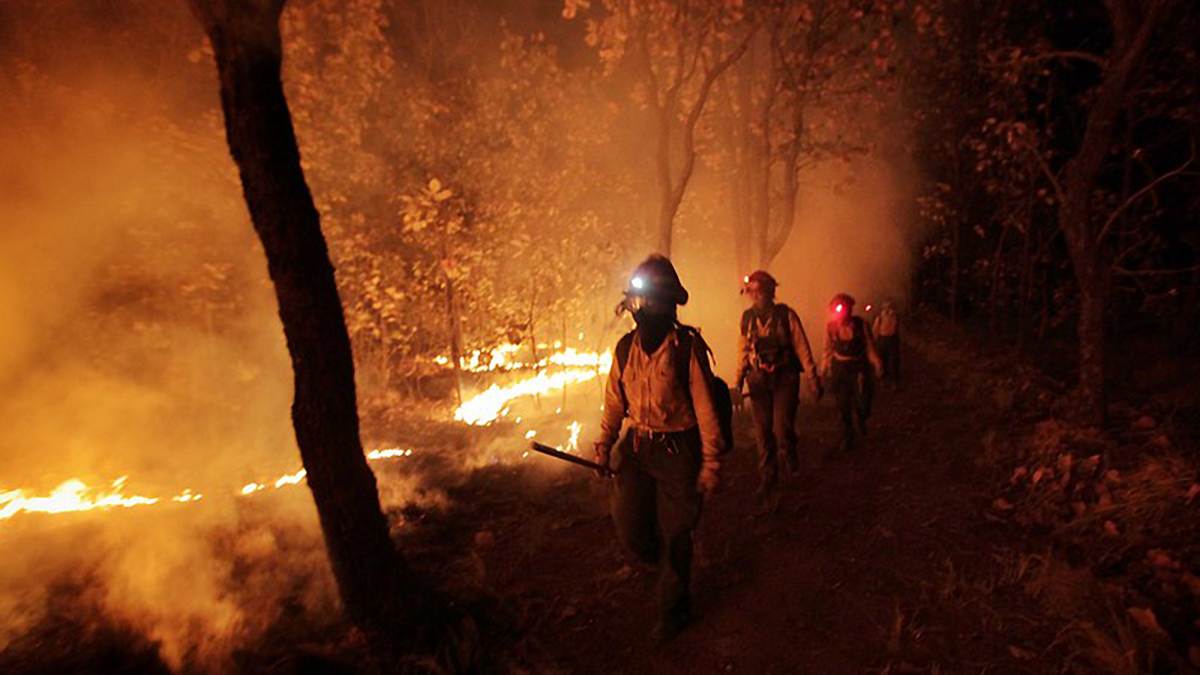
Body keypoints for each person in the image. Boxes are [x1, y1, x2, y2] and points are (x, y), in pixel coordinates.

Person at [593, 254, 723, 642]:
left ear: (669, 305)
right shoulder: (624, 349)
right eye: (638, 301)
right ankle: (667, 568)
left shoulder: (687, 347)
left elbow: (705, 409)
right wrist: (604, 442)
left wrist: (711, 463)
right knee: (630, 526)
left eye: (651, 301)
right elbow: (615, 403)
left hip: (679, 452)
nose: (643, 309)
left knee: (676, 533)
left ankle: (673, 609)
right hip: (637, 449)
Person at [734, 271, 821, 510]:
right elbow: (743, 352)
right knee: (763, 433)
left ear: (770, 291)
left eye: (760, 291)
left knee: (781, 428)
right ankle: (768, 478)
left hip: (785, 378)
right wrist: (737, 381)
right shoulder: (747, 319)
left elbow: (802, 347)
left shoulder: (786, 315)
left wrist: (813, 378)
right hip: (758, 381)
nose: (756, 296)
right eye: (753, 292)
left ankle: (789, 451)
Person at [822, 293, 883, 452]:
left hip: (859, 367)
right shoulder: (831, 327)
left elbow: (869, 346)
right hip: (840, 369)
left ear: (850, 310)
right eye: (838, 309)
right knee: (843, 405)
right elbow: (827, 350)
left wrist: (877, 364)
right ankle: (847, 437)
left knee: (863, 401)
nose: (842, 313)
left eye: (845, 308)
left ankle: (862, 418)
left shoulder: (861, 324)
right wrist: (824, 369)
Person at [872, 300, 901, 389]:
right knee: (882, 360)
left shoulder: (894, 316)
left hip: (892, 340)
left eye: (889, 306)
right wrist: (874, 340)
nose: (887, 308)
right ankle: (883, 380)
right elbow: (875, 329)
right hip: (883, 339)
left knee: (894, 361)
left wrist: (899, 340)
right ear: (883, 307)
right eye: (885, 306)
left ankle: (894, 382)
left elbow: (897, 328)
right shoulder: (880, 317)